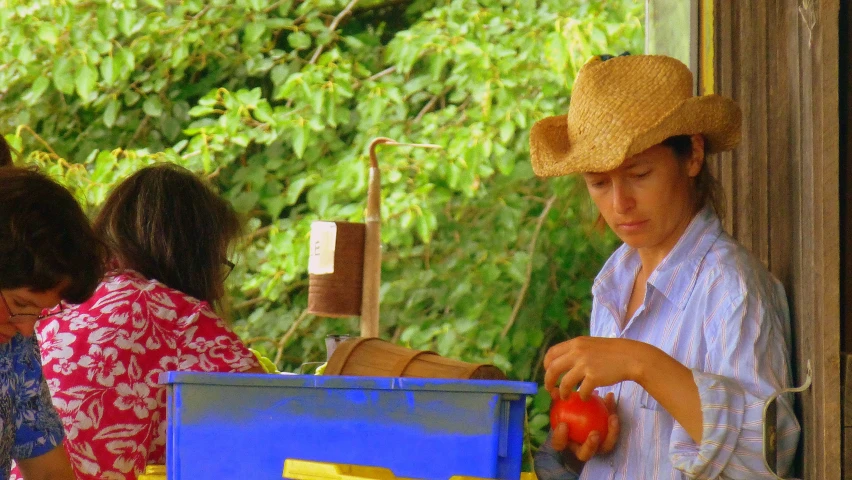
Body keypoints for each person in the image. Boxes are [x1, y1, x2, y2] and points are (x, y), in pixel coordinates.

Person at [529, 54, 800, 479]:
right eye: (599, 183)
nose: (619, 204)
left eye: (639, 174)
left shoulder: (730, 288)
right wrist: (572, 453)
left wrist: (643, 363)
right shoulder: (613, 284)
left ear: (692, 155)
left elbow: (768, 456)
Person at [10, 164, 264, 480]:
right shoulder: (175, 315)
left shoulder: (59, 298)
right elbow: (274, 412)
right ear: (193, 256)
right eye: (217, 264)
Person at [0, 167, 105, 480]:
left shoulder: (15, 350)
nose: (26, 328)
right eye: (19, 305)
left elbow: (49, 474)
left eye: (39, 312)